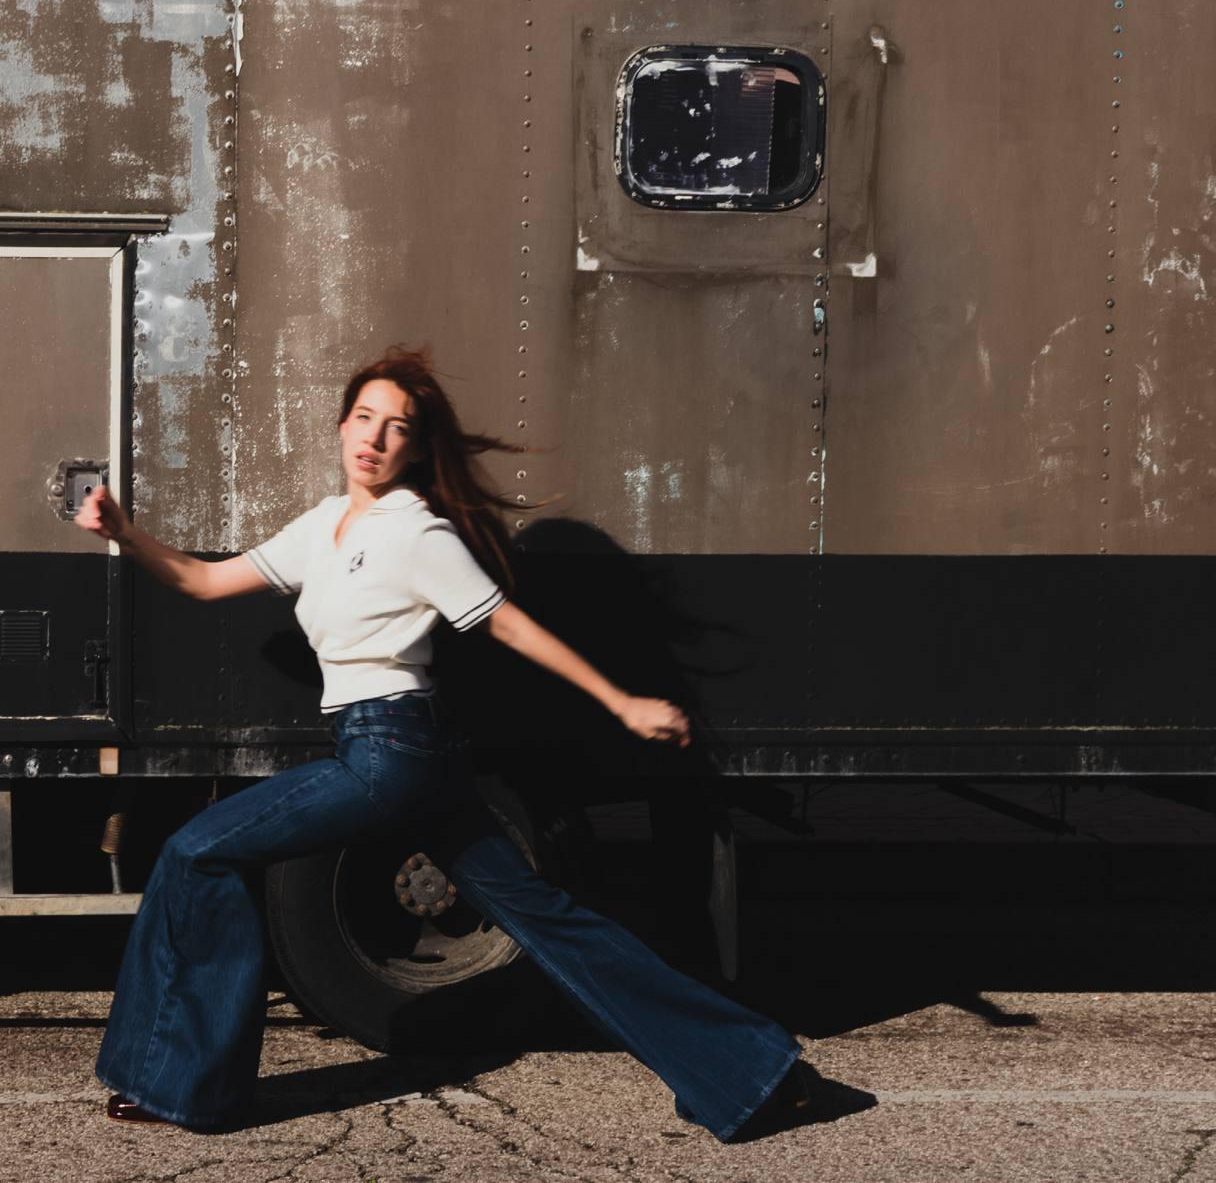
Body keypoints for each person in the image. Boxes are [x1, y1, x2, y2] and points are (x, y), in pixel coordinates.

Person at [76, 344, 811, 1141]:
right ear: (341, 425)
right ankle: (758, 1073)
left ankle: (181, 1084)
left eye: (397, 427)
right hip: (405, 754)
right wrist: (124, 531)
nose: (374, 437)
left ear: (418, 448)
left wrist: (621, 702)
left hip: (387, 752)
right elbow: (204, 580)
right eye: (364, 417)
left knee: (197, 851)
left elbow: (507, 623)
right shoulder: (323, 525)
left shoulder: (418, 532)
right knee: (549, 919)